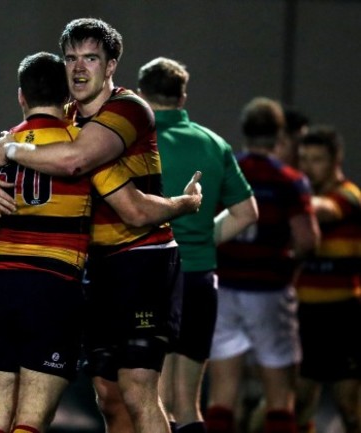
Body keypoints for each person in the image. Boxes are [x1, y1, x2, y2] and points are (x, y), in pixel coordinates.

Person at [0, 18, 194, 433]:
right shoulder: (66, 118)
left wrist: (182, 205)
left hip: (141, 258)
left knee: (136, 387)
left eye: (90, 58)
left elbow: (81, 163)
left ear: (111, 66)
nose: (78, 68)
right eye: (71, 57)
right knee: (108, 397)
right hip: (93, 265)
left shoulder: (129, 109)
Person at [133, 57, 259, 433]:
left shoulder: (136, 142)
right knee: (187, 403)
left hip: (150, 278)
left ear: (141, 95)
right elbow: (247, 213)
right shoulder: (214, 143)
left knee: (149, 400)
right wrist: (203, 240)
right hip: (199, 280)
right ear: (183, 95)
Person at [205, 97, 320, 433]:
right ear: (279, 134)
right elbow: (307, 241)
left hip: (225, 288)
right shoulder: (288, 180)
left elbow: (208, 228)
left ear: (244, 131)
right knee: (280, 397)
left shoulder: (225, 171)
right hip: (269, 291)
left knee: (221, 397)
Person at [294, 125, 361, 433]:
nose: (308, 167)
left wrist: (277, 196)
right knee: (300, 403)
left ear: (336, 160)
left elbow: (327, 212)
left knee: (348, 407)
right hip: (305, 316)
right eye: (303, 159)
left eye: (317, 159)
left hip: (344, 315)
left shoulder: (349, 196)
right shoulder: (299, 199)